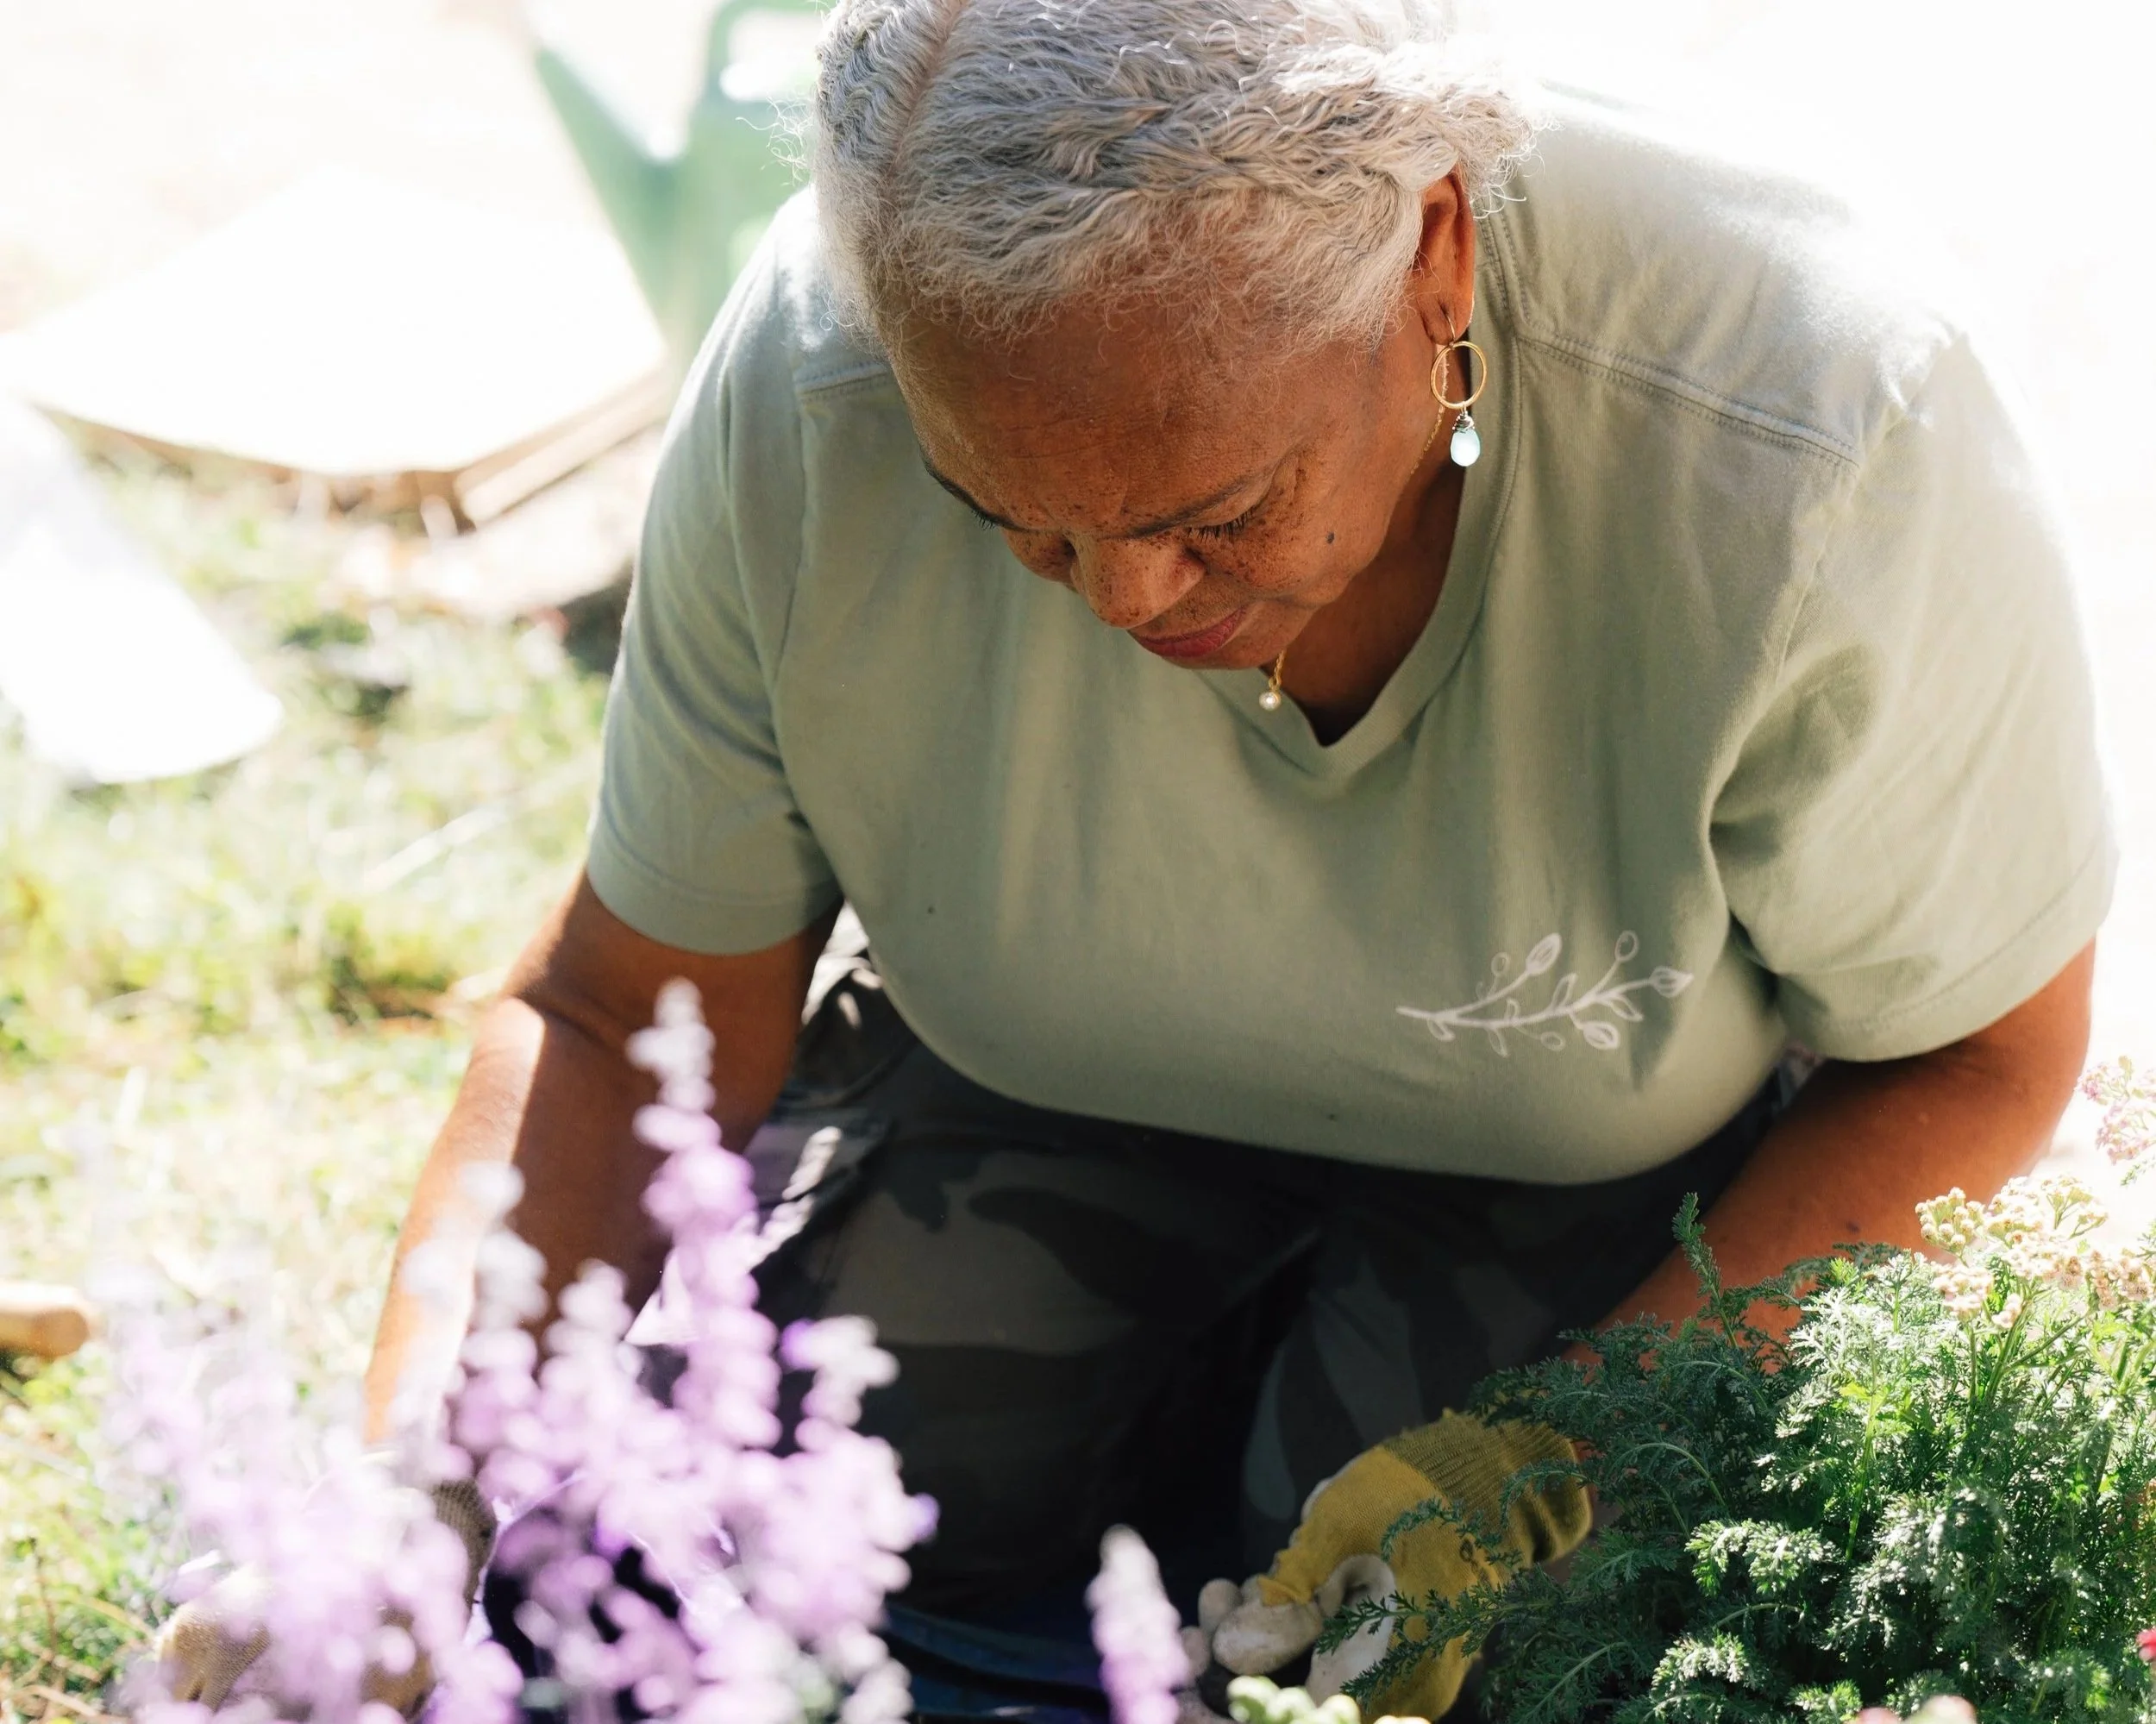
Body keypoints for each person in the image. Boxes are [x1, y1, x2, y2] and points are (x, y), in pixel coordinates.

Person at [166, 0, 2113, 1714]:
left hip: (1606, 1166)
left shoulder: (1808, 428)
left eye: (1215, 508)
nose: (1119, 599)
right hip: (1048, 1081)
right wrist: (410, 1499)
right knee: (717, 1509)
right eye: (1005, 514)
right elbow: (618, 1015)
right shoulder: (810, 379)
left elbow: (1976, 1060)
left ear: (1434, 255)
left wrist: (1541, 1466)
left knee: (1403, 1622)